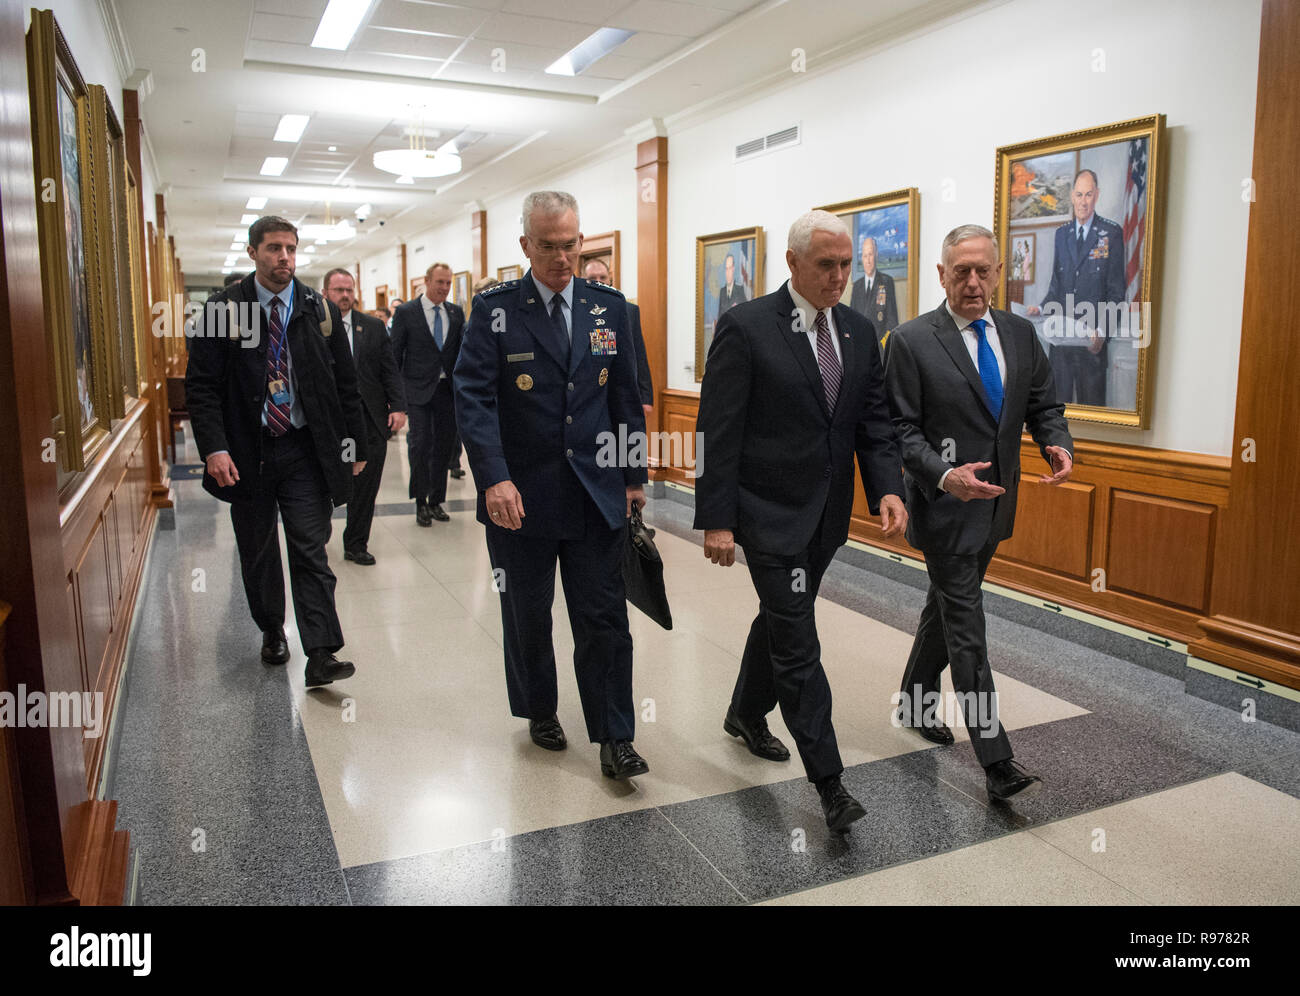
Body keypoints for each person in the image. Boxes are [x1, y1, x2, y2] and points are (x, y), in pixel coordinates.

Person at [694, 210, 908, 832]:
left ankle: (743, 712)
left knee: (780, 616)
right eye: (826, 265)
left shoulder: (861, 333)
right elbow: (718, 431)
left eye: (845, 264)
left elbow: (873, 422)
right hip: (766, 514)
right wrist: (717, 519)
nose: (839, 276)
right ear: (792, 263)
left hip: (826, 515)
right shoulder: (747, 327)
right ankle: (831, 783)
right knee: (797, 639)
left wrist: (887, 491)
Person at [454, 190, 650, 780]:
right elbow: (474, 398)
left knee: (604, 617)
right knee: (529, 613)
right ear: (525, 246)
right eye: (548, 246)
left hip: (595, 493)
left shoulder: (610, 308)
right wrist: (494, 480)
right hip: (521, 498)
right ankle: (540, 707)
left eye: (571, 244)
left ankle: (615, 735)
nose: (562, 257)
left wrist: (634, 476)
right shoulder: (494, 310)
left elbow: (625, 398)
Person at [885, 224, 1073, 800]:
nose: (972, 281)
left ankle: (915, 701)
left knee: (945, 606)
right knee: (968, 627)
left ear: (998, 273)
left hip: (995, 508)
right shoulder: (912, 340)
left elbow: (1042, 402)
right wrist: (945, 475)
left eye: (983, 270)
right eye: (960, 270)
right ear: (941, 274)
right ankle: (996, 762)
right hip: (943, 506)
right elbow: (901, 430)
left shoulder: (1018, 333)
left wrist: (1056, 441)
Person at [185, 216, 368, 688]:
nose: (283, 256)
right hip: (247, 454)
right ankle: (271, 628)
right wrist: (214, 449)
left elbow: (347, 387)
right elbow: (202, 388)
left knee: (311, 548)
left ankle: (322, 651)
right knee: (259, 549)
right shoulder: (224, 309)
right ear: (253, 253)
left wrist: (356, 445)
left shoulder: (318, 309)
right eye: (273, 248)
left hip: (305, 451)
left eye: (290, 248)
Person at [323, 267, 406, 565]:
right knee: (324, 484)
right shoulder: (312, 326)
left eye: (349, 290)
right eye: (338, 290)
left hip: (369, 420)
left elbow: (389, 369)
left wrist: (398, 405)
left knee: (366, 487)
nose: (345, 296)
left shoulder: (372, 326)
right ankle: (317, 540)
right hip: (329, 422)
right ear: (325, 293)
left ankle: (356, 543)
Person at [1028, 169, 1125, 406]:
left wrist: (1101, 333)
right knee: (1055, 412)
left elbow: (1116, 293)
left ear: (1097, 195)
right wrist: (1040, 310)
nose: (1083, 201)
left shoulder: (1111, 233)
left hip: (1091, 344)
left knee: (1091, 413)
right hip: (1061, 345)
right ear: (1072, 196)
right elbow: (1056, 287)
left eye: (1088, 195)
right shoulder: (1062, 234)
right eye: (1079, 195)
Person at [390, 263, 464, 524]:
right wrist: (396, 398)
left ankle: (436, 501)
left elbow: (459, 355)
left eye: (448, 283)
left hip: (447, 391)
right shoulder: (406, 312)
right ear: (427, 280)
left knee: (444, 446)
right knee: (420, 445)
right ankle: (420, 501)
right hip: (417, 390)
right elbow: (394, 356)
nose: (444, 288)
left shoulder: (455, 313)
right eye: (440, 282)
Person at [583, 257, 654, 416]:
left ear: (610, 279)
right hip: (587, 397)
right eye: (592, 278)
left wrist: (646, 397)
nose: (598, 281)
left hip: (621, 394)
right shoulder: (574, 311)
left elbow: (639, 354)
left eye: (603, 277)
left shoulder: (628, 310)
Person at [848, 236, 898, 347]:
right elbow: (851, 318)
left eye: (870, 254)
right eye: (865, 256)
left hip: (879, 346)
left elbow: (892, 320)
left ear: (876, 255)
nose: (868, 260)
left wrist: (884, 345)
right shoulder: (857, 286)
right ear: (862, 258)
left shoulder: (886, 282)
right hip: (859, 346)